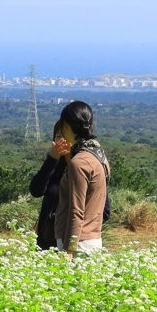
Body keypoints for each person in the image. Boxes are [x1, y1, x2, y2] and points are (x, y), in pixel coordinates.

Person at [30, 120, 111, 251]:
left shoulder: (84, 166)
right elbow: (36, 190)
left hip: (72, 243)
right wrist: (52, 158)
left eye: (65, 136)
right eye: (57, 137)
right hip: (46, 242)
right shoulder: (54, 168)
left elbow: (104, 211)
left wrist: (74, 228)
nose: (61, 141)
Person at [55, 101, 110, 256]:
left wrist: (69, 251)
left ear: (66, 126)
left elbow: (76, 211)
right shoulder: (99, 154)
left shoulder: (79, 162)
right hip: (93, 239)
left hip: (78, 245)